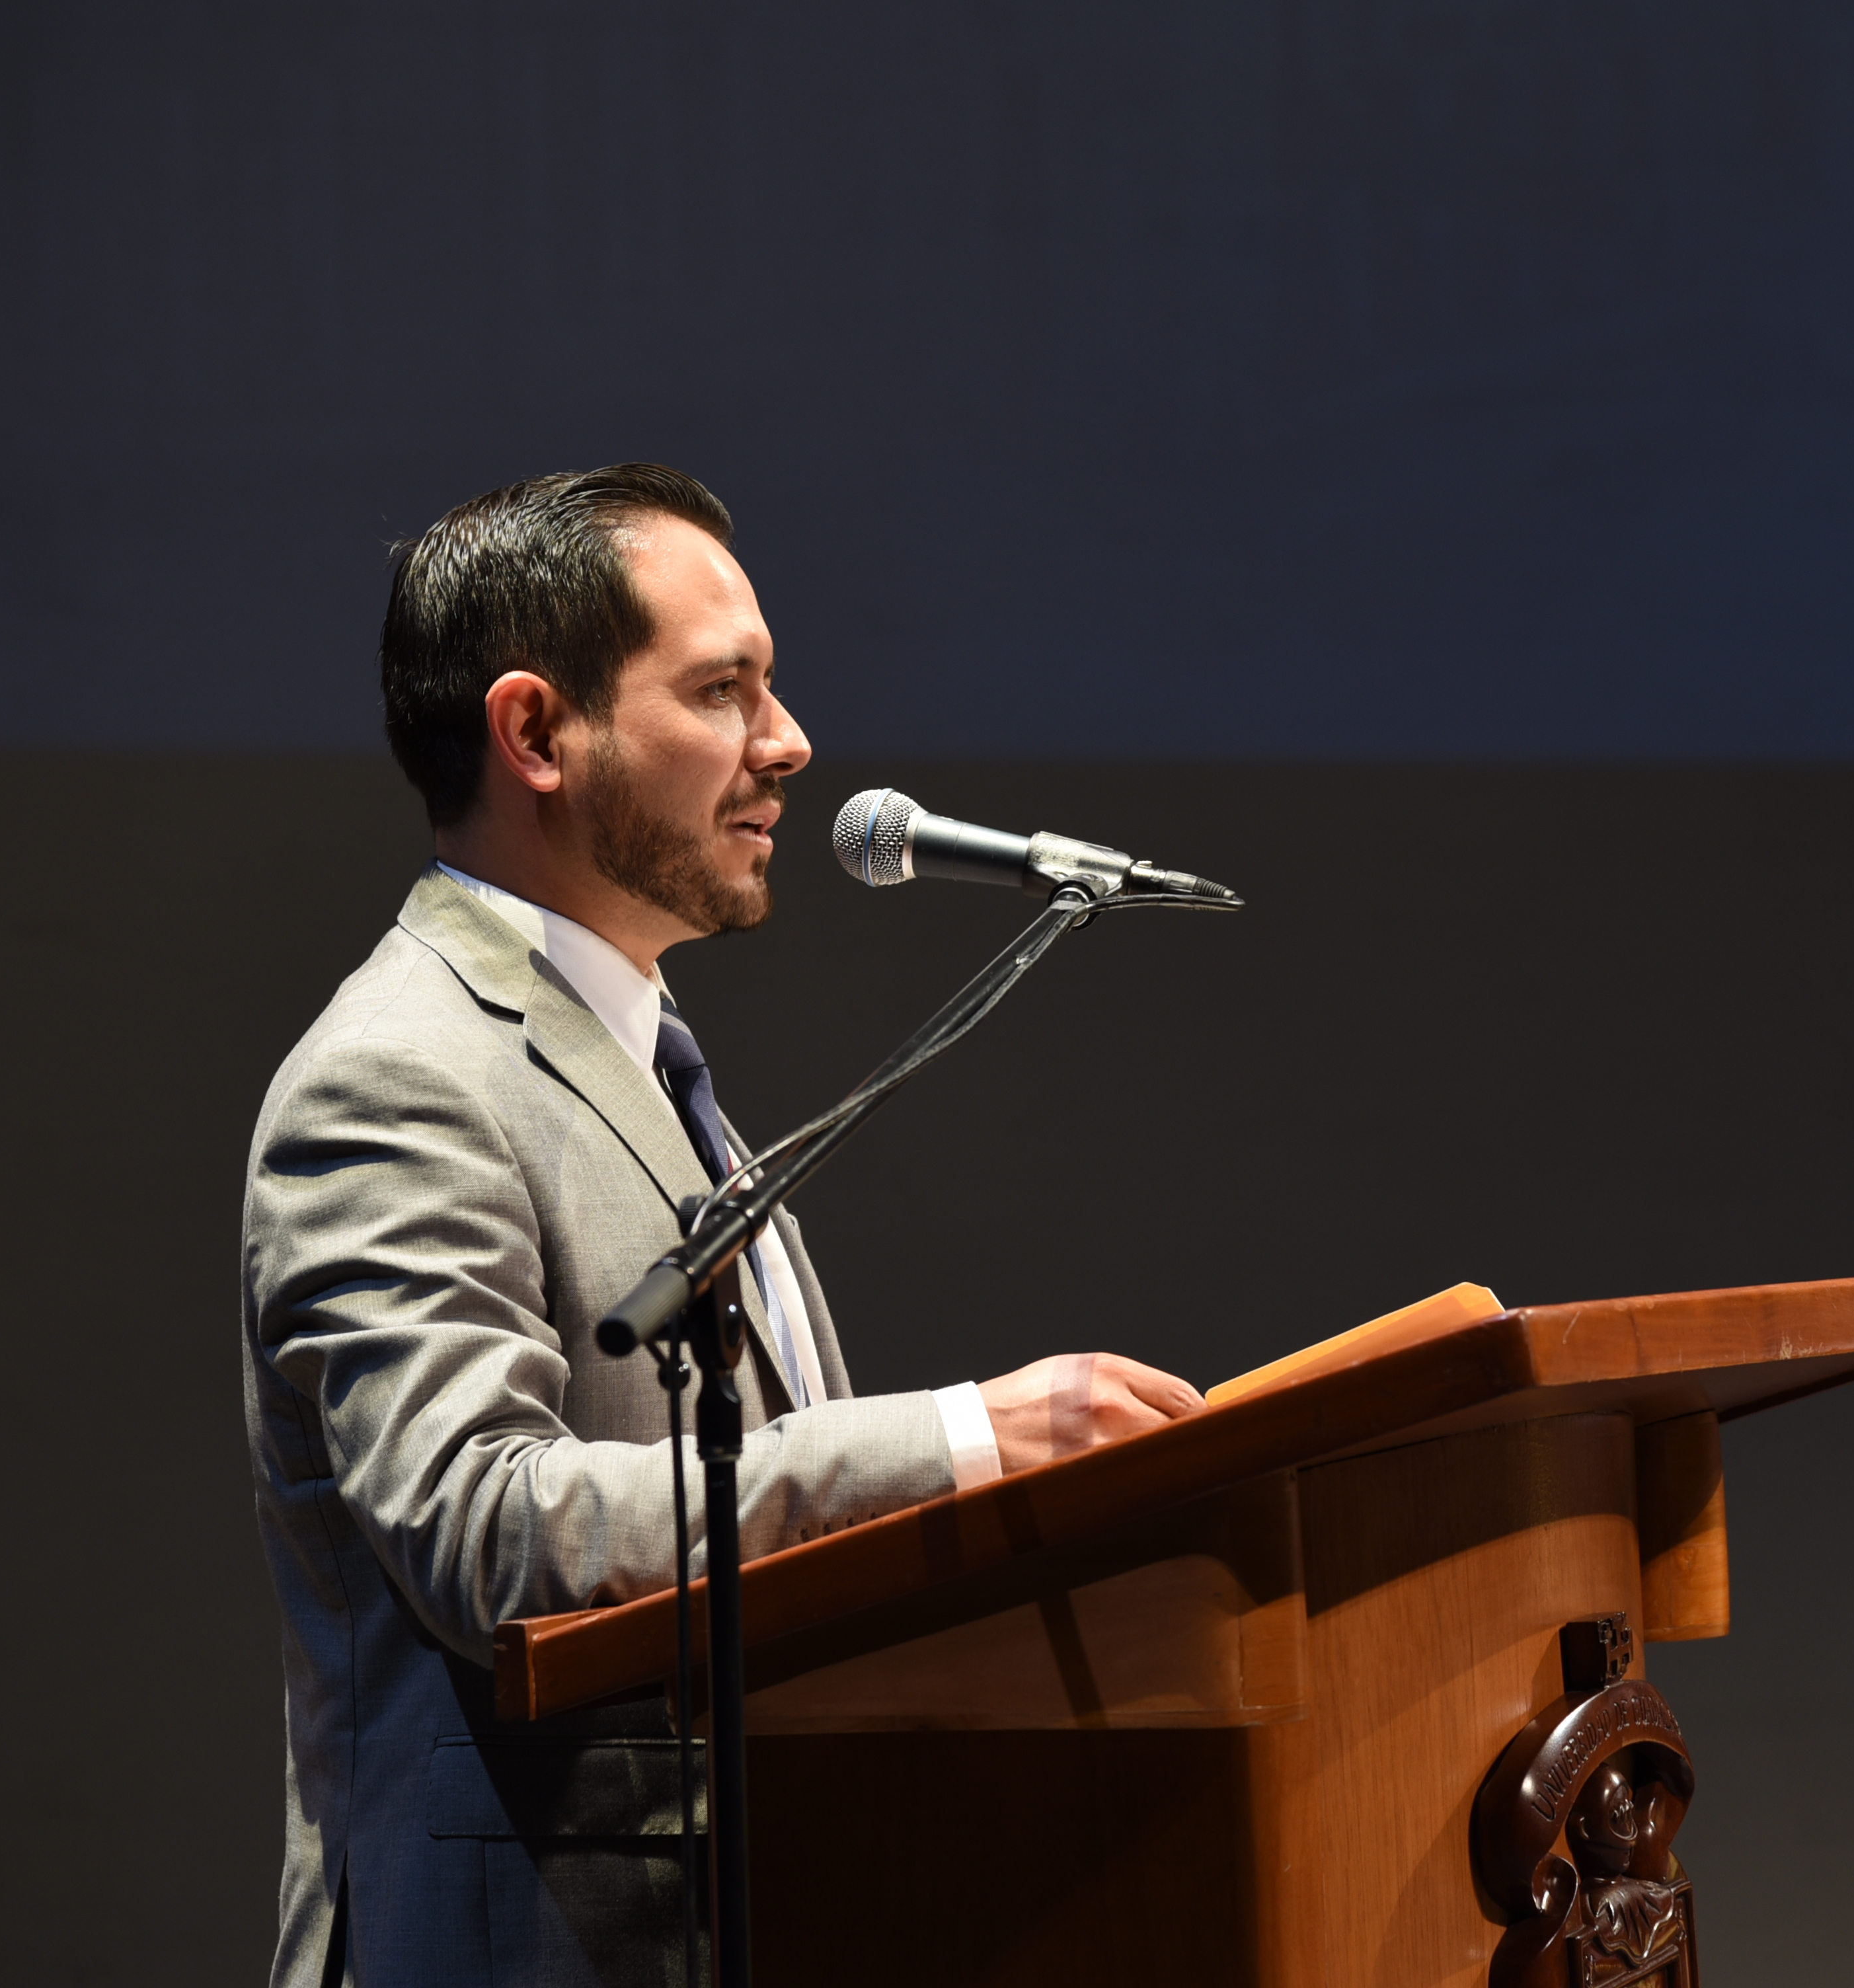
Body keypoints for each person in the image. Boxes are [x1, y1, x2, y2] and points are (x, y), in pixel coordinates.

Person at [239, 463, 1208, 1987]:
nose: (791, 741)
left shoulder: (641, 1059)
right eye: (725, 689)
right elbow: (490, 1531)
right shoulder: (398, 1075)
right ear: (536, 733)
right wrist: (963, 1443)